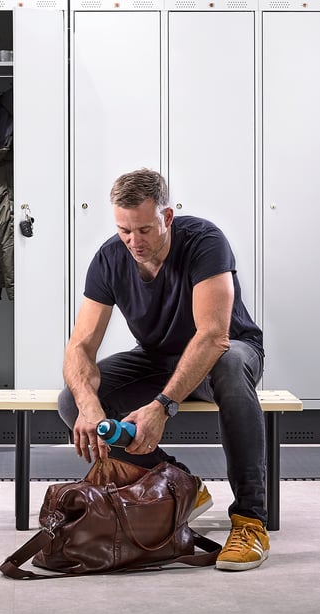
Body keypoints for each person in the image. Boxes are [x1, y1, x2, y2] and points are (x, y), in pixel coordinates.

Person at [58, 168, 269, 571]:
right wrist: (88, 406)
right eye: (124, 230)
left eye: (145, 230)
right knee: (72, 398)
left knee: (229, 364)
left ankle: (250, 520)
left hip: (224, 353)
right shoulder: (109, 258)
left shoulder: (205, 242)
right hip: (158, 358)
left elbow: (213, 335)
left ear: (167, 218)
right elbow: (80, 345)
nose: (134, 242)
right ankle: (178, 482)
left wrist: (161, 407)